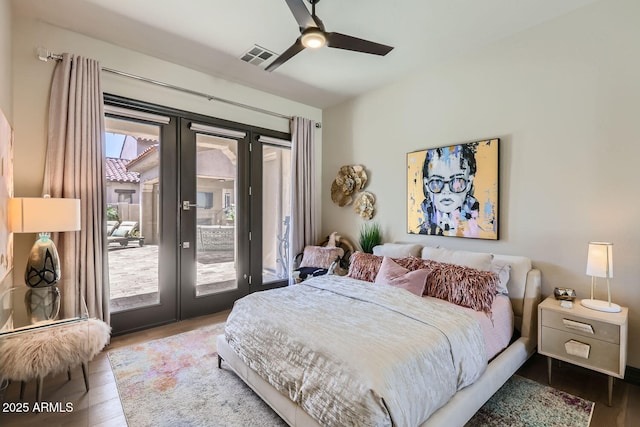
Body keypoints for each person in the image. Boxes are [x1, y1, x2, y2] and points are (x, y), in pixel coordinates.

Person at [418, 143, 480, 237]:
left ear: (469, 184)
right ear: (427, 184)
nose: (446, 191)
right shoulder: (420, 229)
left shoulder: (480, 226)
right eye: (436, 182)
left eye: (457, 182)